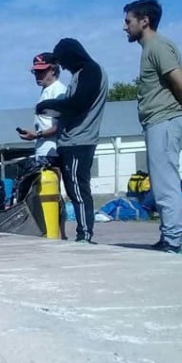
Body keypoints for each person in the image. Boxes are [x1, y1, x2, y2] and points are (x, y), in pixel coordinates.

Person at [124, 0, 182, 254]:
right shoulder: (151, 47)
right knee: (163, 182)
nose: (124, 27)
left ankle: (172, 241)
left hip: (164, 120)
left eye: (128, 21)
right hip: (159, 121)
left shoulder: (157, 46)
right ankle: (169, 237)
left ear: (144, 20)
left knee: (165, 184)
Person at [36, 38, 109, 244]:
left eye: (64, 61)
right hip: (71, 141)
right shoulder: (81, 74)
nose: (63, 66)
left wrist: (49, 105)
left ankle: (85, 234)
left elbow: (77, 104)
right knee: (73, 188)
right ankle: (83, 233)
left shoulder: (91, 71)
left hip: (80, 141)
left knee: (78, 189)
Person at [18, 52, 67, 165]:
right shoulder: (46, 90)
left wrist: (36, 135)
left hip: (53, 151)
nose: (37, 75)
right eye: (35, 71)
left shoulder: (59, 91)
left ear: (53, 70)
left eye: (41, 71)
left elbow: (60, 125)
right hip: (44, 151)